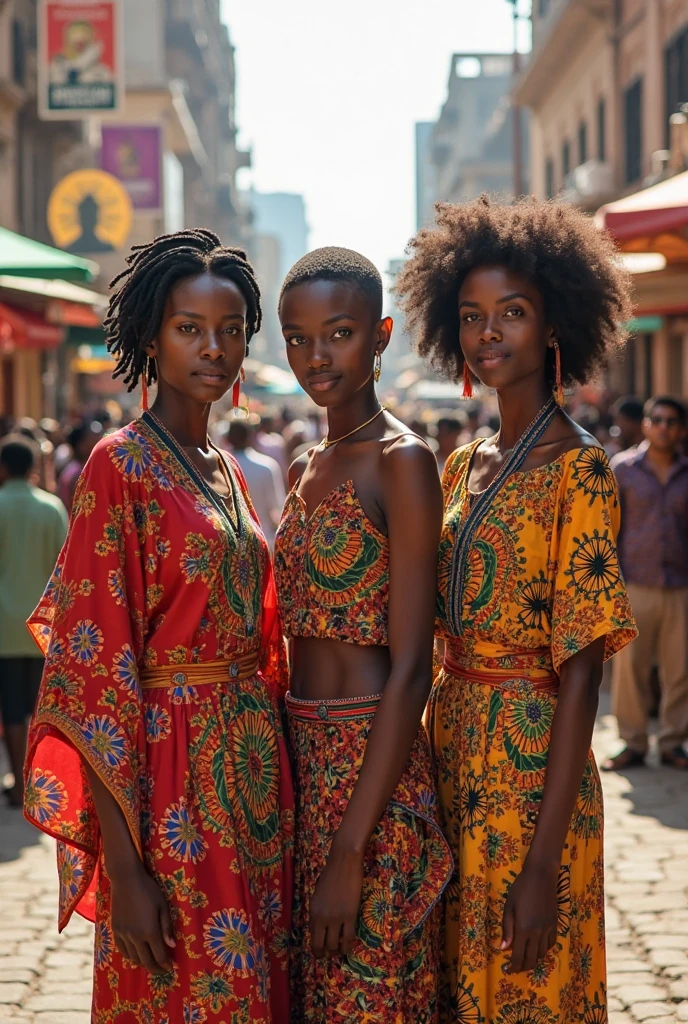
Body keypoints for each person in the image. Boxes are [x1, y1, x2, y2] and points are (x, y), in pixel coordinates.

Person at [23, 230, 294, 1022]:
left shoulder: (228, 470)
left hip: (252, 775)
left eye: (231, 329)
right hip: (168, 781)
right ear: (151, 337)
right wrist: (126, 867)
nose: (214, 347)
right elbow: (92, 673)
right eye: (189, 328)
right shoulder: (119, 464)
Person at [395, 196, 637, 1022]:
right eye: (470, 315)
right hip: (453, 757)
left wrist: (542, 865)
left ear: (555, 323)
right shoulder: (462, 464)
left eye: (513, 312)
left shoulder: (582, 470)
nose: (487, 332)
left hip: (534, 781)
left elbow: (582, 679)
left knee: (529, 991)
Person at [274, 248, 452, 1022]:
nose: (317, 356)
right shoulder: (304, 465)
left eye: (339, 334)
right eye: (298, 338)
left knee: (371, 996)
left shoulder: (403, 462)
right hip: (298, 769)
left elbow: (413, 667)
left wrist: (350, 852)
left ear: (380, 336)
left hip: (372, 774)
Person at [604, 396, 688, 771]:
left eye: (672, 421)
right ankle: (633, 742)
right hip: (634, 584)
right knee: (630, 670)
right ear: (646, 425)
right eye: (658, 420)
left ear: (681, 430)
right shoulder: (623, 470)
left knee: (679, 669)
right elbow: (608, 529)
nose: (664, 427)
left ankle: (673, 743)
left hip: (680, 586)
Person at [0, 436, 67, 806]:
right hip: (45, 626)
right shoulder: (52, 508)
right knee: (40, 709)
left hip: (4, 626)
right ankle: (39, 782)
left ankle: (19, 785)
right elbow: (66, 568)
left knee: (12, 708)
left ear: (3, 468)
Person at [222, 418, 286, 550]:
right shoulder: (267, 466)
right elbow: (277, 509)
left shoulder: (219, 467)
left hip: (229, 545)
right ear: (251, 437)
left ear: (228, 438)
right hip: (263, 541)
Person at [57, 418, 102, 514]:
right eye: (93, 439)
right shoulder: (78, 473)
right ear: (81, 445)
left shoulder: (73, 468)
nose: (98, 442)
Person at [609, 395, 645, 462]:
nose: (618, 426)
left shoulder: (646, 453)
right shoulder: (619, 448)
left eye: (620, 420)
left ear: (634, 422)